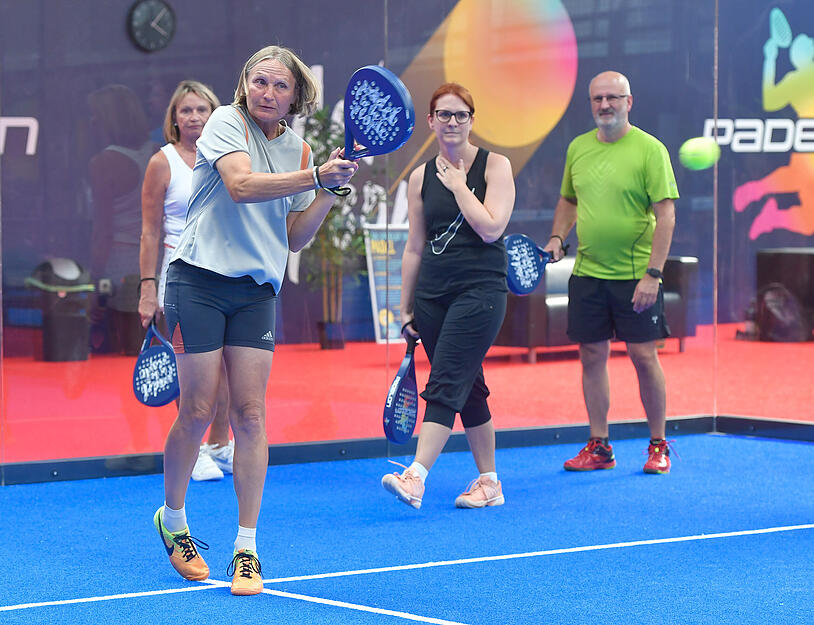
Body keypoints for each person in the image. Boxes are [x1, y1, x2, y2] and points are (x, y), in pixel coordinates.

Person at [152, 45, 358, 595]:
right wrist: (316, 175)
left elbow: (292, 237)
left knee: (249, 414)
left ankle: (247, 546)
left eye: (280, 86)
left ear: (297, 95)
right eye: (260, 82)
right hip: (198, 278)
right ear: (246, 83)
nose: (268, 93)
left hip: (257, 290)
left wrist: (329, 193)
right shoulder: (224, 121)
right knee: (196, 411)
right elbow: (241, 187)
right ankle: (173, 520)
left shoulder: (297, 148)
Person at [380, 83, 515, 510]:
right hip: (433, 298)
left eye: (460, 115)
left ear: (472, 120)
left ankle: (416, 476)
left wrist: (459, 185)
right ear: (431, 121)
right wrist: (405, 306)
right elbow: (415, 246)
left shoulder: (496, 166)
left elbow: (492, 228)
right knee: (468, 387)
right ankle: (490, 483)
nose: (452, 122)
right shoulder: (419, 178)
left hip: (481, 293)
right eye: (444, 114)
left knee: (445, 384)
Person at [542, 71, 679, 474]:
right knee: (591, 355)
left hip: (636, 276)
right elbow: (568, 200)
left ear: (629, 102)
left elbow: (666, 215)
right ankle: (599, 446)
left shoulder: (650, 150)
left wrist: (653, 275)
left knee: (643, 356)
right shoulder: (578, 149)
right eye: (598, 99)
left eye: (613, 98)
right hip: (587, 273)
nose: (605, 105)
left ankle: (658, 445)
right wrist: (556, 237)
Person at [138, 80, 233, 482]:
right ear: (174, 119)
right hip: (180, 277)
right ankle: (192, 451)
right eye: (186, 110)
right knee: (193, 371)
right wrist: (147, 287)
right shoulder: (162, 162)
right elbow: (149, 231)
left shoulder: (231, 156)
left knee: (230, 368)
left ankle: (219, 443)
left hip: (227, 272)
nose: (194, 117)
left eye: (201, 109)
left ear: (215, 115)